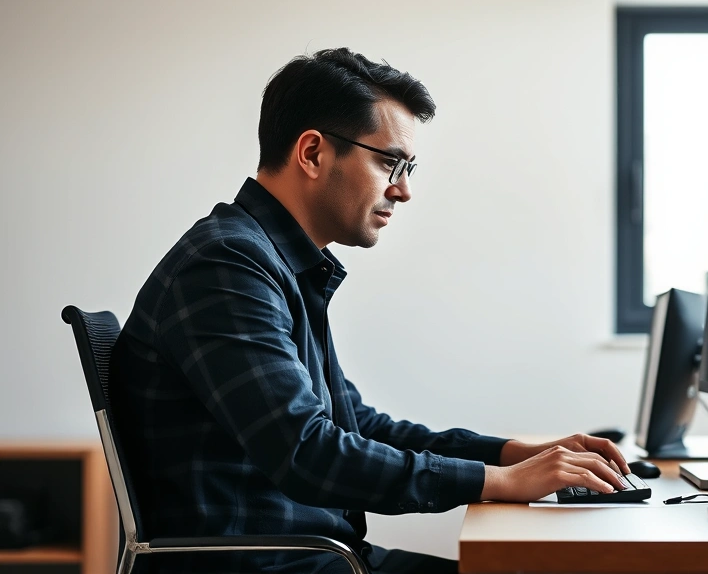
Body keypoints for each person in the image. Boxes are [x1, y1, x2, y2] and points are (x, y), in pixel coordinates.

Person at [110, 47, 630, 574]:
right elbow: (307, 452)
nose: (403, 190)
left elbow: (354, 424)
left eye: (408, 168)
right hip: (268, 567)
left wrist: (511, 455)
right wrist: (496, 483)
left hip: (310, 560)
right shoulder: (227, 265)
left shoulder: (274, 263)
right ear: (312, 153)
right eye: (390, 162)